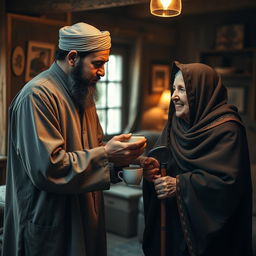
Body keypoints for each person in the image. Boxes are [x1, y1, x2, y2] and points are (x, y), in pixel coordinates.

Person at [2, 22, 146, 256]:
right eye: (97, 64)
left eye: (105, 64)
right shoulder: (36, 96)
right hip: (50, 219)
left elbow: (93, 154)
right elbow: (48, 168)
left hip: (84, 217)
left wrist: (123, 164)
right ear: (72, 57)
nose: (103, 72)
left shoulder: (83, 93)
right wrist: (107, 153)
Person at [142, 61, 252, 256]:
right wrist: (151, 172)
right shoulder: (175, 124)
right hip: (173, 224)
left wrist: (179, 185)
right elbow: (161, 161)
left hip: (210, 233)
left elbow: (228, 184)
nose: (174, 96)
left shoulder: (228, 129)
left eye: (182, 89)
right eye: (173, 89)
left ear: (201, 92)